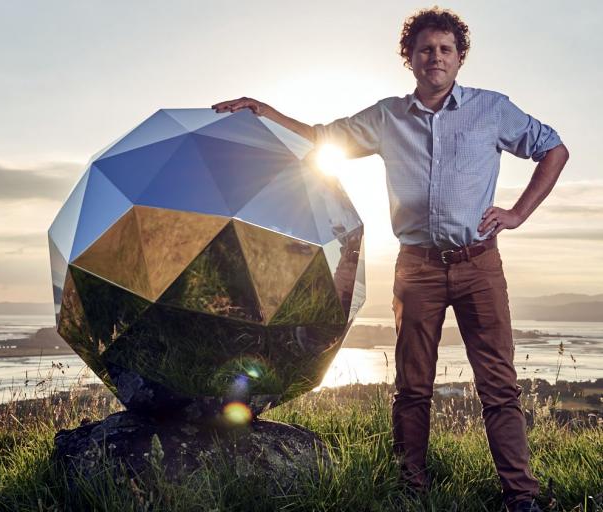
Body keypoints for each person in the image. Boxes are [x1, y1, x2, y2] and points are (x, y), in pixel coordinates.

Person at [212, 7, 568, 511]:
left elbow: (553, 148)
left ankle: (521, 496)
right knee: (412, 386)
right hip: (417, 267)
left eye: (446, 49)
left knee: (499, 386)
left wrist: (517, 213)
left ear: (460, 58)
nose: (436, 58)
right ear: (411, 59)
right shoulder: (388, 116)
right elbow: (322, 136)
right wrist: (266, 113)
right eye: (426, 50)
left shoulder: (492, 109)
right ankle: (410, 490)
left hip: (478, 265)